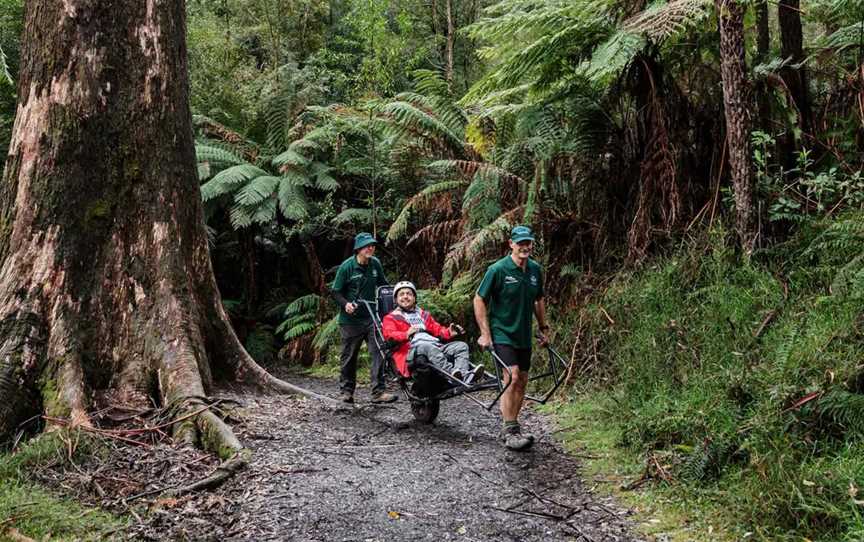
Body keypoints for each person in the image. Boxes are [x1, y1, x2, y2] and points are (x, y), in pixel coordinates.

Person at [474, 225, 549, 451]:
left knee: (523, 380)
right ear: (511, 244)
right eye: (520, 243)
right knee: (512, 376)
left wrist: (544, 327)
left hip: (523, 334)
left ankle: (513, 424)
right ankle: (509, 429)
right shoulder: (498, 270)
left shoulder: (535, 270)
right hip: (502, 331)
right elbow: (479, 299)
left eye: (528, 243)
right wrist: (485, 334)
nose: (525, 247)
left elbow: (538, 299)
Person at [330, 232, 396, 404]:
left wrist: (395, 300)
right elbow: (335, 291)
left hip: (372, 317)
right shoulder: (347, 267)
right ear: (358, 249)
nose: (371, 248)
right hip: (350, 321)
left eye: (372, 245)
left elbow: (383, 286)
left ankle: (378, 392)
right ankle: (346, 391)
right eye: (367, 245)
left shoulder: (375, 264)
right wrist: (346, 304)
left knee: (378, 352)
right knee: (349, 356)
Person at [382, 281, 482, 384]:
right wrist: (406, 334)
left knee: (461, 346)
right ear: (396, 300)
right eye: (401, 294)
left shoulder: (423, 315)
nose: (405, 296)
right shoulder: (391, 318)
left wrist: (448, 332)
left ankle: (464, 375)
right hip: (411, 350)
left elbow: (437, 329)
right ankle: (451, 374)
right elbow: (389, 335)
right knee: (427, 347)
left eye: (409, 294)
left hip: (435, 346)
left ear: (414, 298)